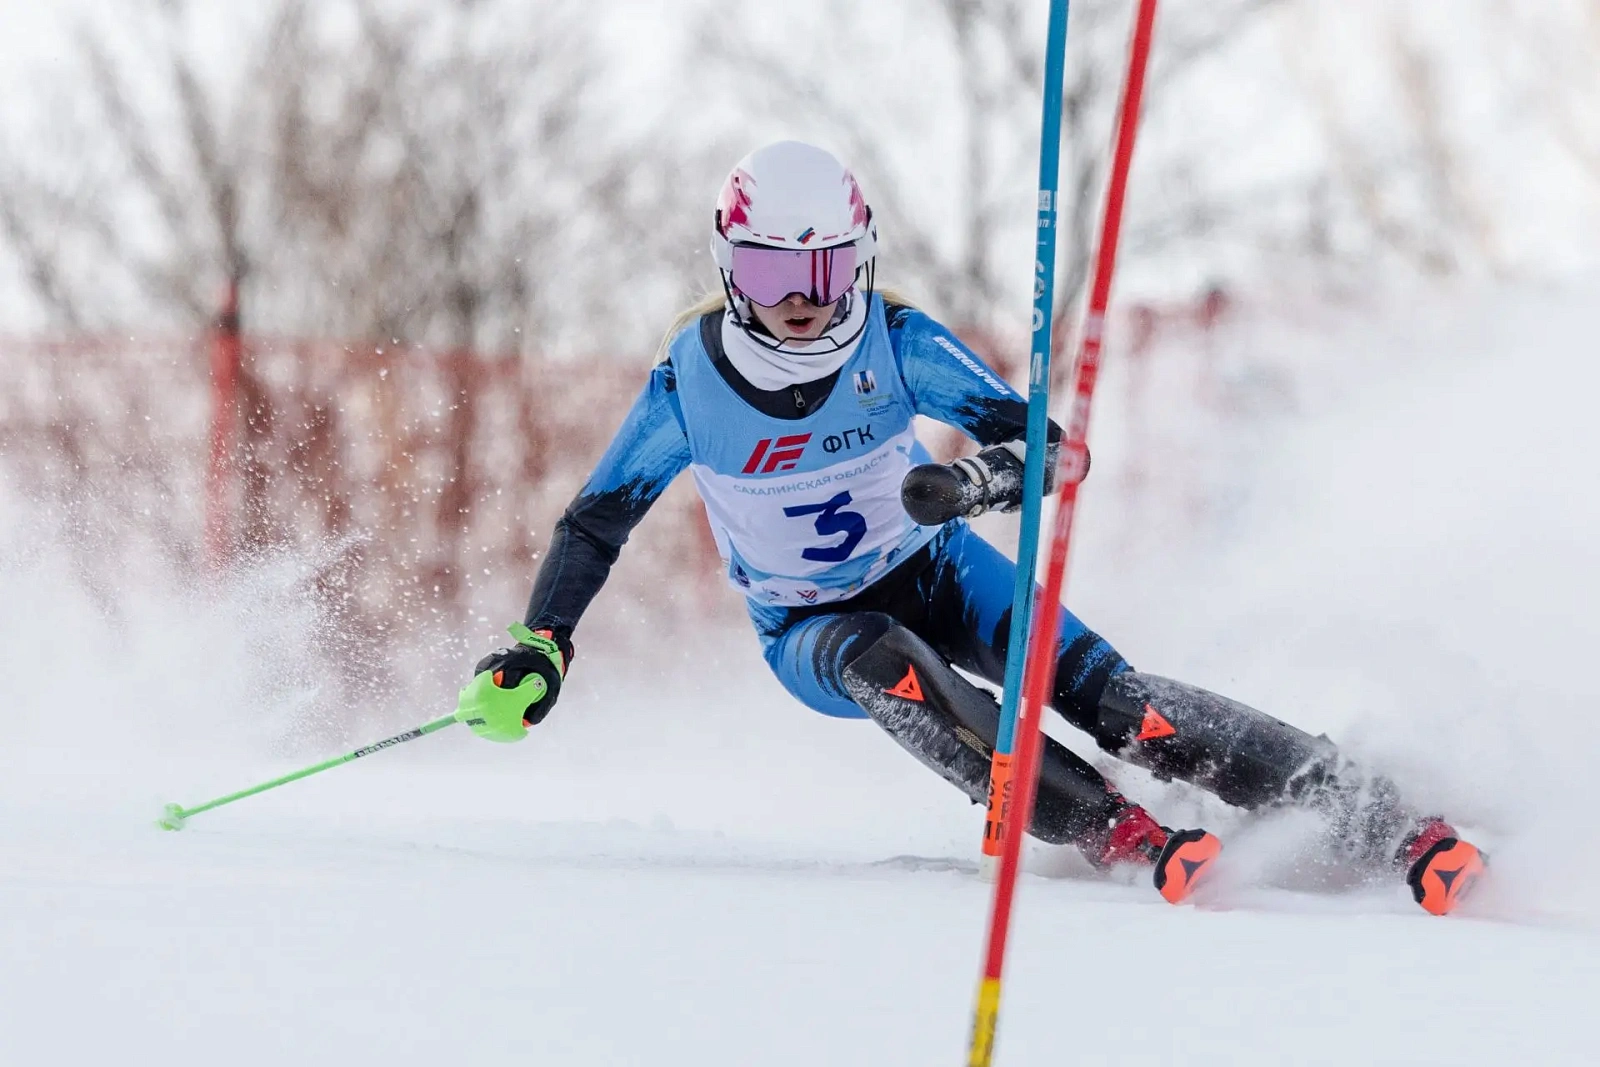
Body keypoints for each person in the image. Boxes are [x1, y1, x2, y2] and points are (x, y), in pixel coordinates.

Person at [454, 141, 1485, 915]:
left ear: (860, 260)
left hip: (936, 567)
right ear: (731, 269)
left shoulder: (897, 340)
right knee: (890, 662)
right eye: (773, 277)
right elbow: (596, 521)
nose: (804, 303)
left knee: (1124, 704)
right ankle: (1113, 828)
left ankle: (1384, 819)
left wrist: (976, 481)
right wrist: (543, 643)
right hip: (810, 625)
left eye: (827, 272)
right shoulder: (692, 379)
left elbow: (1053, 450)